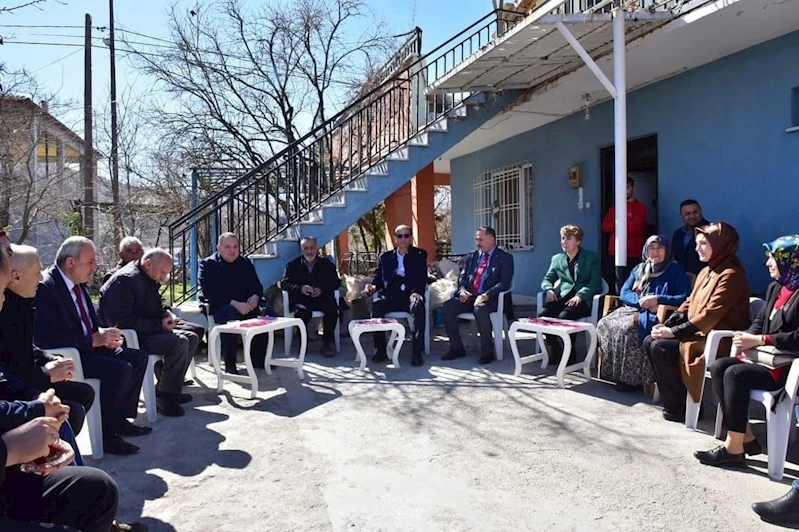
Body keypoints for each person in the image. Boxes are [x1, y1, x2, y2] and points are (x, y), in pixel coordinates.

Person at [33, 237, 150, 455]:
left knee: (137, 357)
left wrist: (103, 335)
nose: (94, 267)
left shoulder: (78, 285)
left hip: (90, 348)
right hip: (70, 357)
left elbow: (87, 323)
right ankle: (108, 435)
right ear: (71, 262)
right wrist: (91, 340)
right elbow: (45, 340)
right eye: (90, 262)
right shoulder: (47, 288)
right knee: (119, 369)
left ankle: (120, 419)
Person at [693, 235, 799, 473]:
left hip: (788, 367)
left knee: (735, 375)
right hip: (764, 359)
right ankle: (745, 435)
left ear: (790, 261)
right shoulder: (776, 288)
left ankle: (734, 449)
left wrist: (761, 339)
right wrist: (746, 339)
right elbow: (760, 321)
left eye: (773, 259)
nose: (768, 264)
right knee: (720, 367)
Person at [644, 222, 750, 422]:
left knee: (662, 347)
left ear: (719, 244)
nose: (696, 248)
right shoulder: (706, 271)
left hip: (717, 338)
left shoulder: (731, 275)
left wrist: (674, 333)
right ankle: (675, 403)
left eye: (702, 244)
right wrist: (669, 324)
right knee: (650, 340)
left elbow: (710, 315)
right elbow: (689, 303)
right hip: (699, 332)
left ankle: (686, 406)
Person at [0, 244, 96, 436]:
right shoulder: (7, 311)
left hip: (26, 380)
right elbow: (8, 368)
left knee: (84, 393)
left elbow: (28, 348)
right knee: (71, 412)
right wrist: (45, 377)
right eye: (37, 271)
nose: (42, 277)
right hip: (14, 389)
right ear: (15, 276)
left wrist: (49, 360)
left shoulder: (24, 302)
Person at [100, 249, 197, 417]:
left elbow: (156, 304)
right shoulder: (125, 281)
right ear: (148, 263)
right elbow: (121, 323)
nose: (163, 277)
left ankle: (167, 388)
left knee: (192, 337)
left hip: (147, 331)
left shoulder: (147, 276)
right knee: (180, 342)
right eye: (162, 272)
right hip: (131, 338)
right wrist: (159, 325)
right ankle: (165, 397)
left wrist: (167, 314)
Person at [597, 235, 691, 392]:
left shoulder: (675, 271)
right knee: (604, 324)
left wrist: (658, 299)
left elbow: (683, 296)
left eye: (659, 248)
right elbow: (624, 292)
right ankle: (612, 373)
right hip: (635, 308)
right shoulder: (639, 269)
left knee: (627, 329)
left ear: (667, 251)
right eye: (651, 248)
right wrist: (639, 300)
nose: (655, 252)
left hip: (659, 312)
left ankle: (633, 380)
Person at [198, 232, 269, 374]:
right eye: (228, 247)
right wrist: (235, 303)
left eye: (235, 247)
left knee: (263, 314)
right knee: (231, 316)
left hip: (245, 305)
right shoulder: (208, 265)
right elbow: (209, 292)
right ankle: (230, 364)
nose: (232, 250)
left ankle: (259, 359)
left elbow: (257, 286)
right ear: (219, 247)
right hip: (220, 306)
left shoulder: (245, 263)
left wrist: (255, 297)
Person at [442, 226, 514, 365]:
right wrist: (462, 290)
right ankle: (457, 348)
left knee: (480, 309)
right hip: (469, 297)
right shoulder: (472, 257)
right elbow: (462, 278)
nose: (477, 242)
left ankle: (488, 352)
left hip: (491, 299)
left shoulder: (505, 258)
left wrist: (487, 295)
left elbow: (504, 283)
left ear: (492, 240)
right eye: (476, 239)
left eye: (481, 239)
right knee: (447, 307)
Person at [362, 225, 428, 367]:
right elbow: (379, 279)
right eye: (400, 236)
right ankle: (380, 350)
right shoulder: (385, 258)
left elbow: (422, 278)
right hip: (392, 296)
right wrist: (372, 287)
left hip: (411, 295)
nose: (403, 239)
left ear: (411, 238)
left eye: (406, 235)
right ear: (395, 238)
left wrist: (417, 292)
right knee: (376, 305)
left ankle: (417, 351)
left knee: (418, 306)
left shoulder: (419, 255)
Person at [539, 224, 602, 363]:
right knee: (543, 314)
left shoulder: (591, 258)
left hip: (583, 300)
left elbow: (595, 282)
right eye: (562, 238)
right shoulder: (557, 259)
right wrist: (549, 289)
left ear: (578, 241)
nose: (564, 242)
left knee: (565, 316)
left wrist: (580, 295)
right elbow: (547, 279)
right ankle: (555, 348)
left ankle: (571, 350)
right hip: (563, 297)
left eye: (568, 238)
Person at [280, 237, 340, 357]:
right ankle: (303, 342)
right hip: (301, 299)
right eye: (306, 248)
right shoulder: (293, 265)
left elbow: (336, 283)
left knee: (332, 308)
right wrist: (300, 288)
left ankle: (327, 343)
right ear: (302, 249)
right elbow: (284, 284)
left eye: (312, 248)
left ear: (316, 248)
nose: (309, 251)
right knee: (302, 312)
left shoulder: (326, 264)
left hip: (321, 298)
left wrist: (322, 290)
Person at [601, 176, 648, 293]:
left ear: (632, 188)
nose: (624, 190)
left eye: (627, 187)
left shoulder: (640, 207)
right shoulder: (614, 207)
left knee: (631, 286)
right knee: (613, 285)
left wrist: (618, 223)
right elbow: (605, 226)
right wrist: (623, 223)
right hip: (614, 252)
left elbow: (635, 228)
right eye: (621, 188)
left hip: (633, 253)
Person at [670, 199, 710, 275]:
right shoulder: (678, 234)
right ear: (681, 216)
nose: (692, 216)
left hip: (704, 277)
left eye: (695, 212)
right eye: (687, 214)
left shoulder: (710, 232)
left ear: (701, 212)